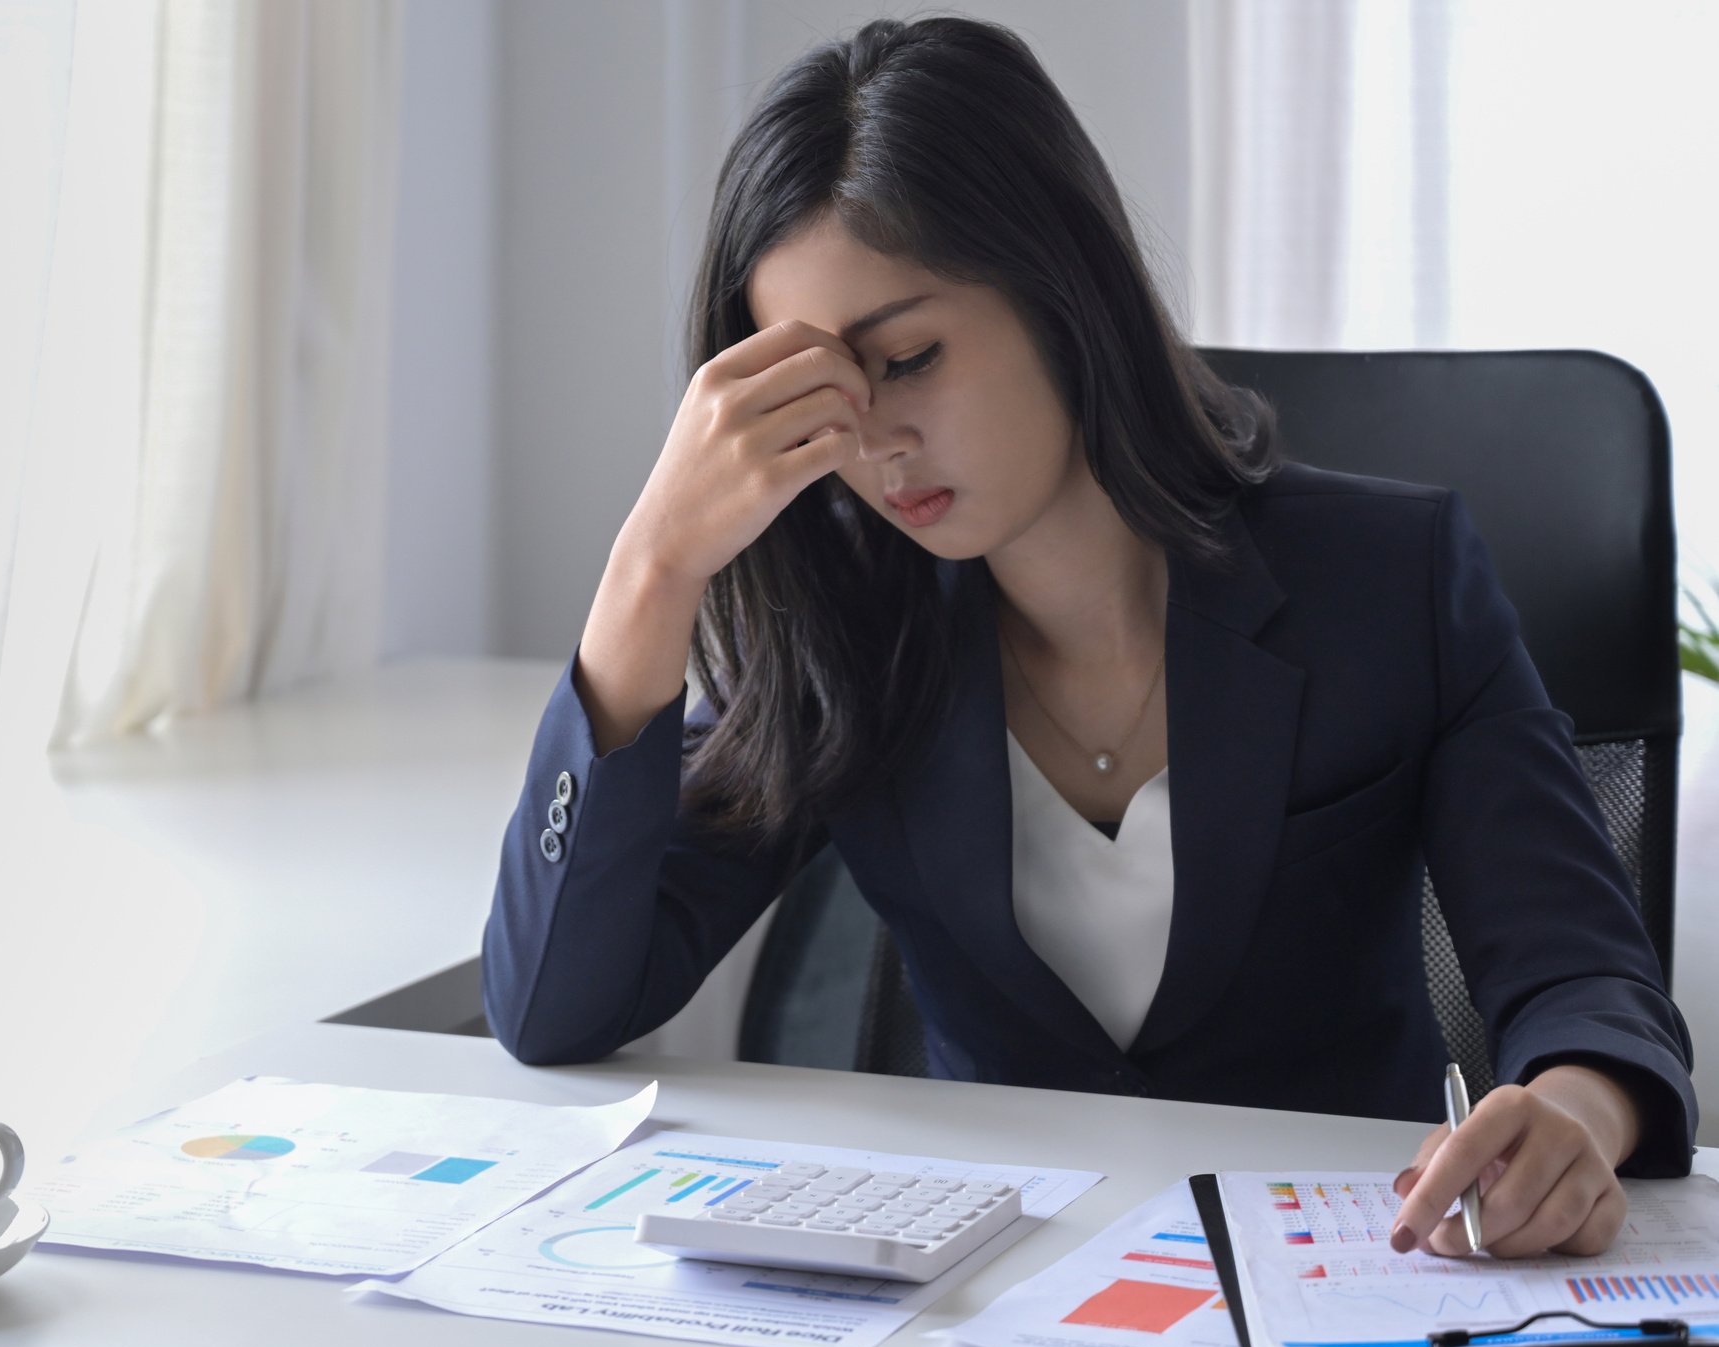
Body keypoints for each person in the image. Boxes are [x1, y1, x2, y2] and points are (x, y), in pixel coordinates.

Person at [478, 15, 1693, 1262]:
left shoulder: (1391, 581)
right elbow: (553, 1009)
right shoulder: (844, 625)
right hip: (987, 1302)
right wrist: (650, 569)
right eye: (819, 392)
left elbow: (1581, 978)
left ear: (1060, 289)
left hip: (1340, 1280)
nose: (872, 441)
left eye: (907, 359)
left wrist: (1567, 1115)